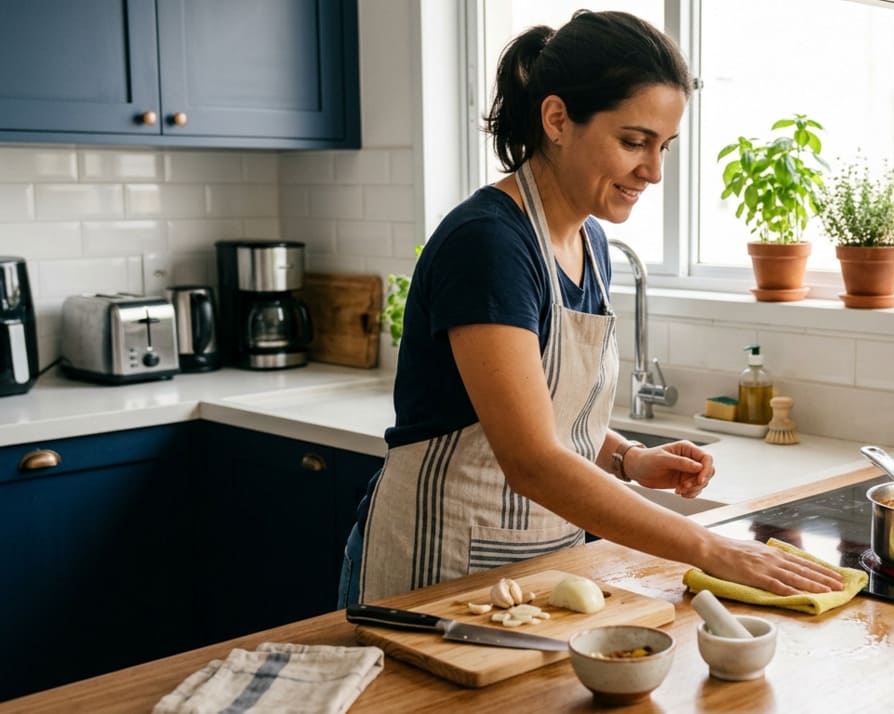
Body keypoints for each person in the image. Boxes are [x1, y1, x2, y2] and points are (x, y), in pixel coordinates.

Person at [338, 10, 843, 607]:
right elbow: (531, 458)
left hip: (542, 565)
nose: (653, 172)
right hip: (439, 567)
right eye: (633, 142)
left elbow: (554, 408)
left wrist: (629, 457)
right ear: (557, 119)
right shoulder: (489, 243)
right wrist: (713, 548)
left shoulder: (592, 242)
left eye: (663, 148)